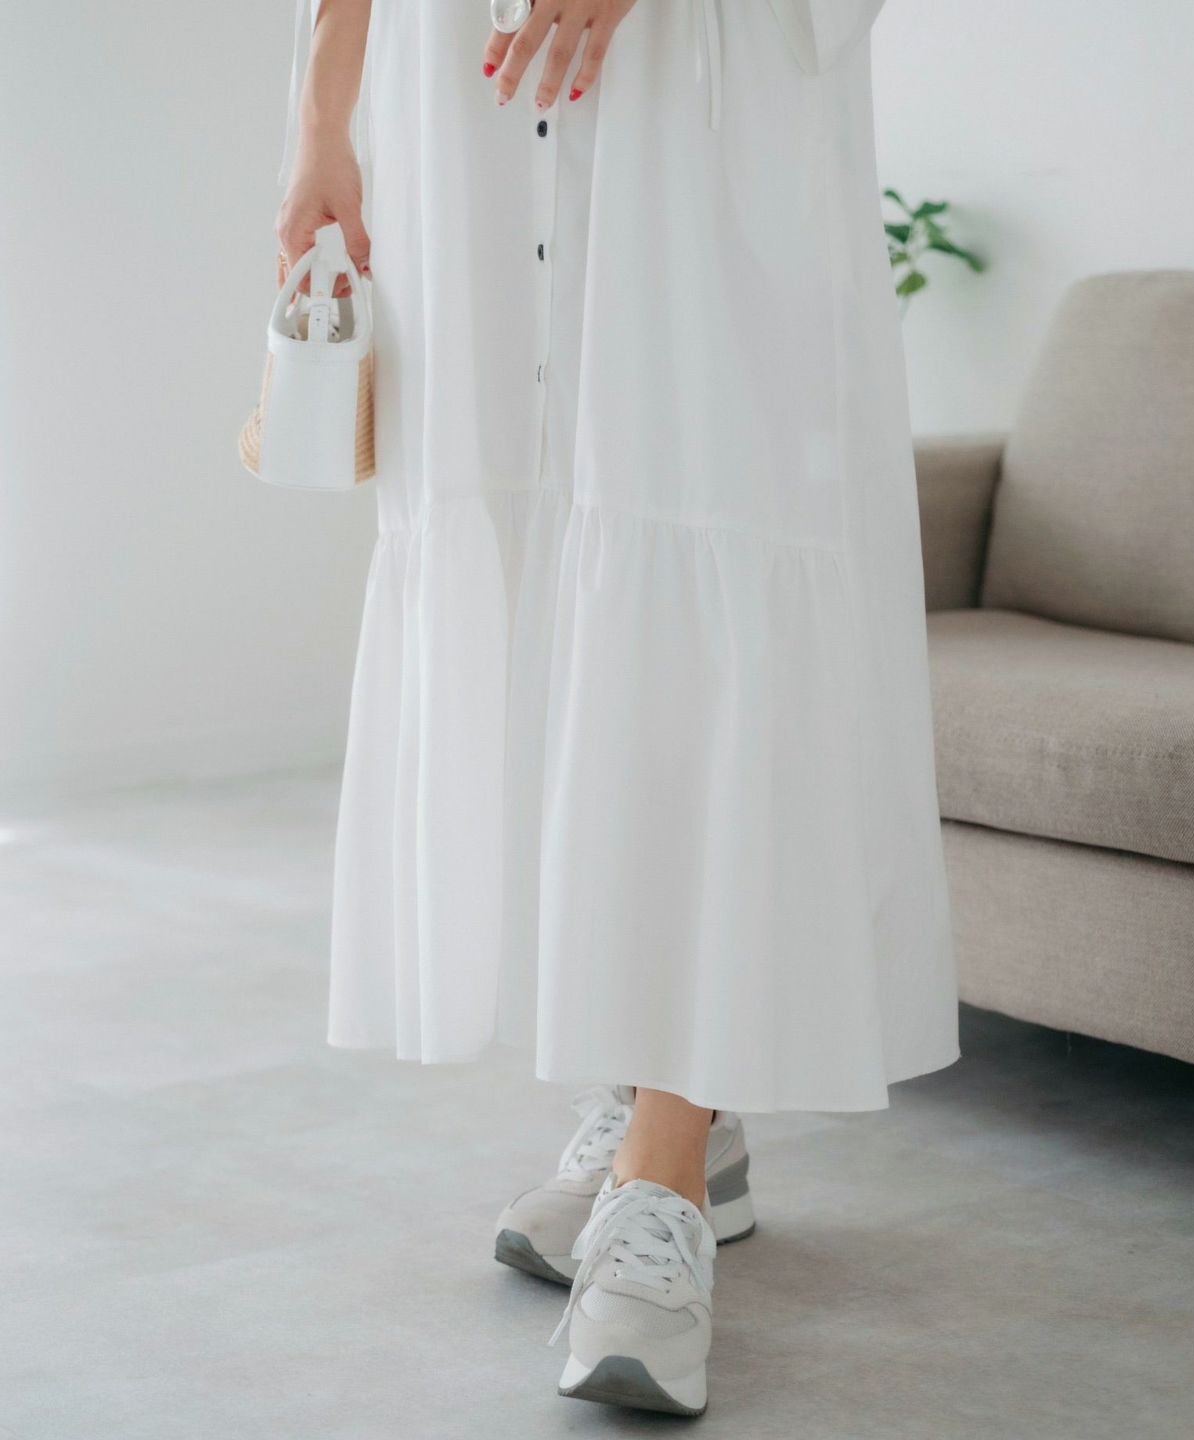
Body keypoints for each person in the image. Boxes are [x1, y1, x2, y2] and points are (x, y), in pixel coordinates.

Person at [274, 0, 959, 1417]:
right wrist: (322, 116)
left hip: (705, 68)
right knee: (545, 564)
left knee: (711, 523)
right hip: (455, 84)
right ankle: (668, 1098)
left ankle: (666, 1157)